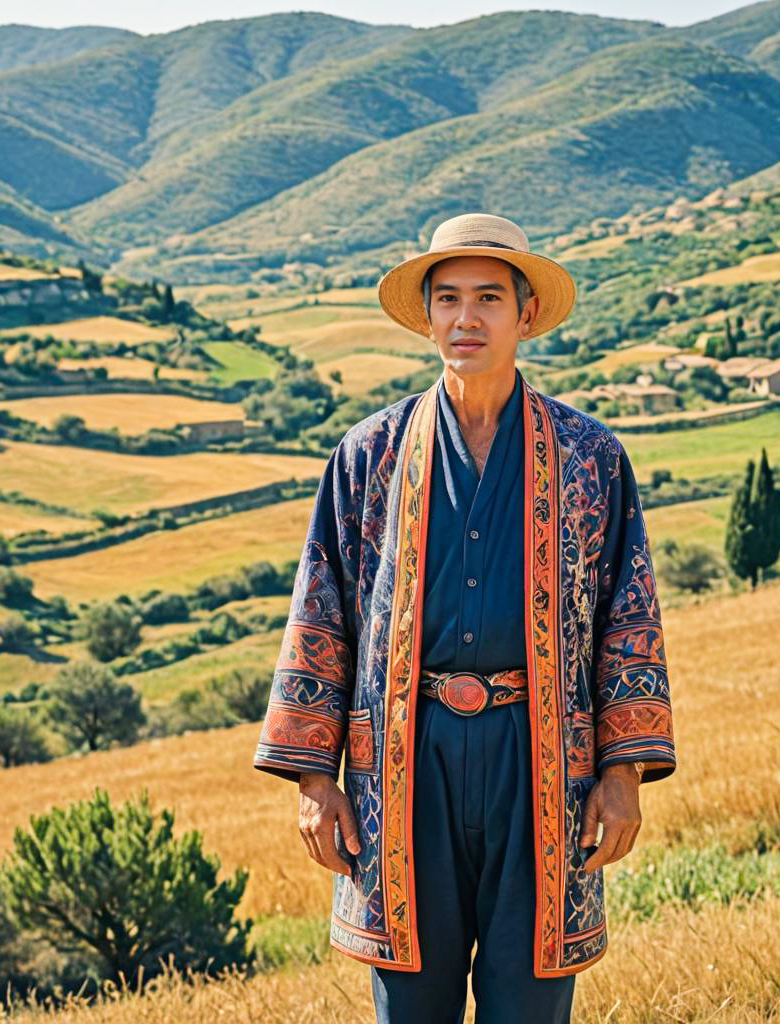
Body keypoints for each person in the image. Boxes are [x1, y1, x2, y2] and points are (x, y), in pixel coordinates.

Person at [253, 212, 676, 1023]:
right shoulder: (369, 454)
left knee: (530, 1003)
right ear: (428, 318)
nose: (466, 318)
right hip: (406, 767)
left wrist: (623, 773)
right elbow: (321, 615)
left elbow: (631, 618)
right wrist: (314, 778)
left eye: (488, 298)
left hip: (546, 762)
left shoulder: (592, 455)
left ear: (526, 315)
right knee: (411, 1006)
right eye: (447, 299)